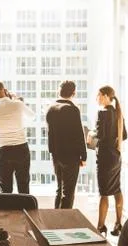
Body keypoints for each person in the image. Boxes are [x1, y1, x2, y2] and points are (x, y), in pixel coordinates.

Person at [46, 81, 87, 209]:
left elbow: (50, 133)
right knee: (68, 192)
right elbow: (79, 134)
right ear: (74, 93)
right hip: (71, 156)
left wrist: (52, 152)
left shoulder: (51, 108)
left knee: (59, 189)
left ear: (60, 91)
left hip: (56, 155)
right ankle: (64, 223)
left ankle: (55, 219)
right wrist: (83, 156)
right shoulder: (73, 109)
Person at [0, 82, 35, 194]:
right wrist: (16, 101)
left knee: (5, 187)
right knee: (23, 184)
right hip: (21, 148)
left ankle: (7, 210)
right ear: (5, 90)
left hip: (4, 150)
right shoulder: (18, 104)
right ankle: (24, 209)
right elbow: (32, 116)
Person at [95, 85, 128, 236]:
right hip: (116, 156)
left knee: (104, 192)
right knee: (116, 189)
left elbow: (100, 136)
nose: (98, 98)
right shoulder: (118, 113)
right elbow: (125, 135)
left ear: (107, 96)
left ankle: (100, 226)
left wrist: (90, 134)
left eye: (100, 95)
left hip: (104, 157)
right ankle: (118, 224)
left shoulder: (102, 113)